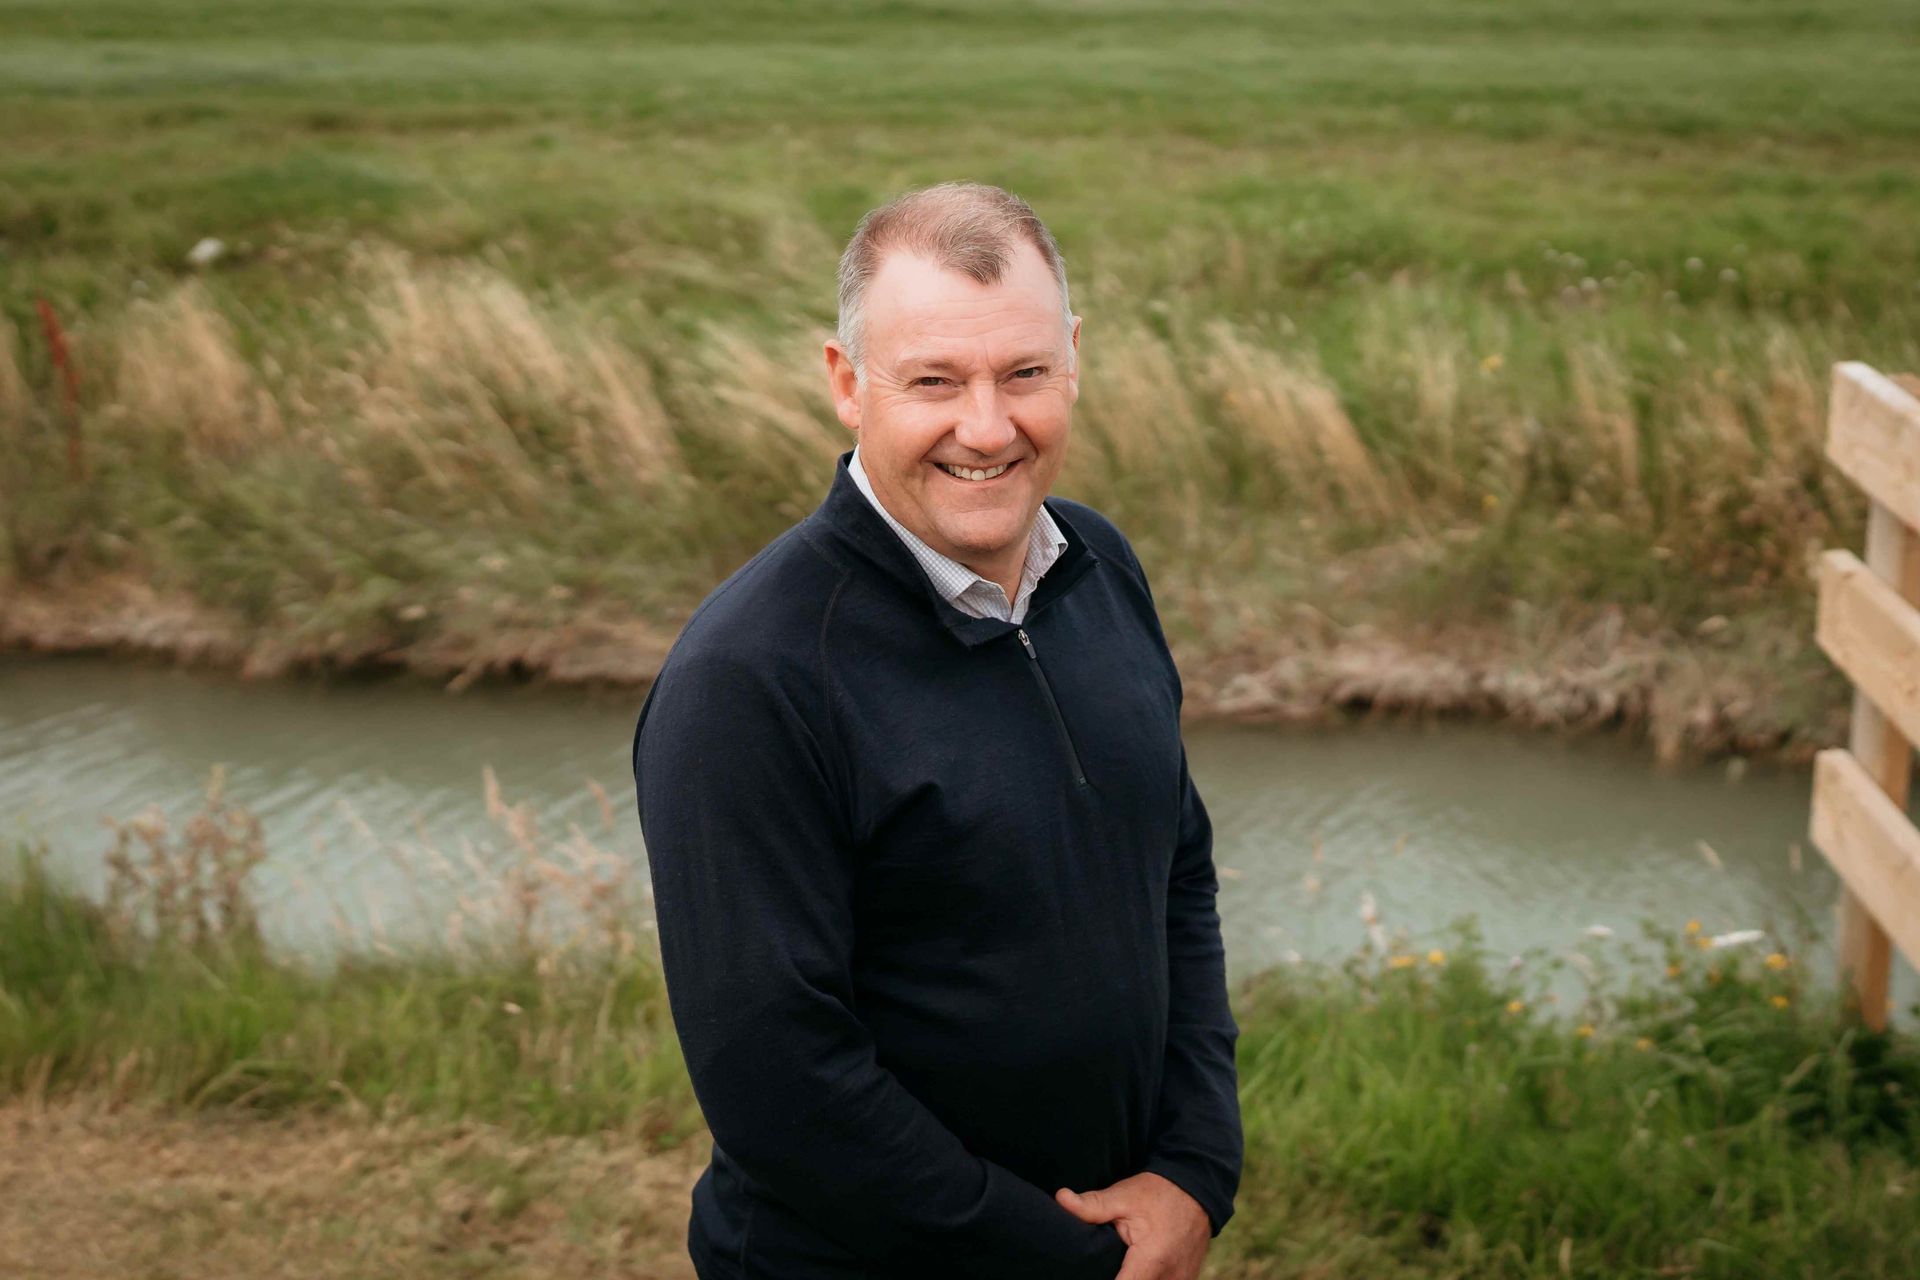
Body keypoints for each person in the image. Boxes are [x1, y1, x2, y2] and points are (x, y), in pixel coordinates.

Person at [630, 180, 1241, 1279]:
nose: (988, 427)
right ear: (846, 384)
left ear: (1075, 360)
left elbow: (1176, 877)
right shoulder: (751, 676)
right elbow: (779, 1078)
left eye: (1024, 373)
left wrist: (1194, 1166)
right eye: (934, 382)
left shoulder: (1100, 568)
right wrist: (1064, 1256)